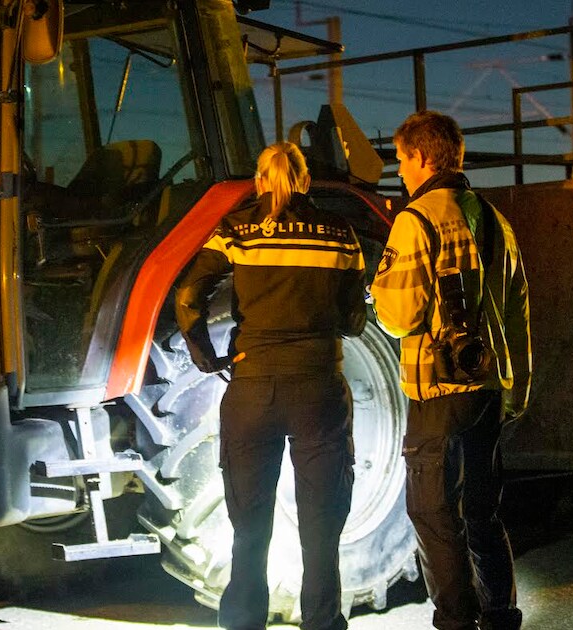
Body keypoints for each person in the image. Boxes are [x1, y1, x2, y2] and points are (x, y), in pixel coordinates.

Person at [175, 141, 367, 630]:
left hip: (252, 388)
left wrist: (206, 356)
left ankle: (244, 623)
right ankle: (322, 622)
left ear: (260, 181)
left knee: (249, 528)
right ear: (305, 181)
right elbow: (353, 320)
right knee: (321, 530)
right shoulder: (340, 233)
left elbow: (189, 295)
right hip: (318, 390)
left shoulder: (235, 229)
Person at [369, 111, 531, 630]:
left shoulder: (415, 220)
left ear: (422, 157)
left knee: (433, 512)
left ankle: (456, 621)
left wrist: (377, 294)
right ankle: (501, 615)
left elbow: (400, 316)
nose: (400, 171)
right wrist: (517, 390)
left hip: (437, 392)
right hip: (490, 390)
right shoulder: (496, 220)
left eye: (402, 160)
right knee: (482, 510)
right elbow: (518, 311)